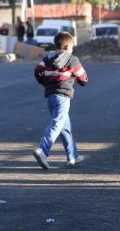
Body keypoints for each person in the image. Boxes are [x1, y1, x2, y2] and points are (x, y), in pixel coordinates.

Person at [32, 31, 88, 169]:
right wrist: (78, 79)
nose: (72, 49)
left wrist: (45, 82)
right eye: (72, 47)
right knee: (57, 124)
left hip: (50, 96)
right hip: (63, 97)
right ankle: (42, 151)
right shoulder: (72, 59)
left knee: (65, 127)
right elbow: (83, 79)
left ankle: (72, 156)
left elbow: (37, 70)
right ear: (68, 46)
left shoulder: (47, 58)